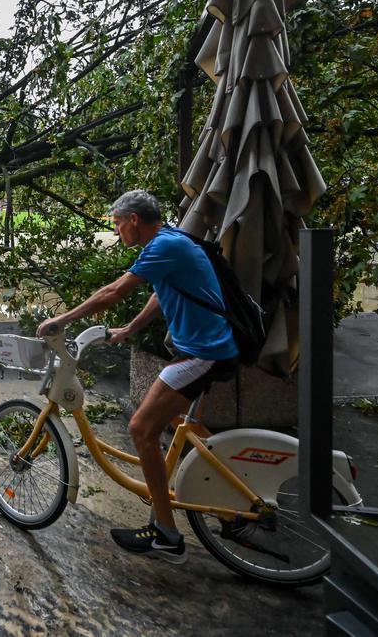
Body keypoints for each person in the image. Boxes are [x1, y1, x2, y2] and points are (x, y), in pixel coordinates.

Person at [36, 189, 237, 564]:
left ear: (132, 220)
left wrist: (60, 320)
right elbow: (163, 293)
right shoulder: (171, 241)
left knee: (141, 429)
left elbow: (112, 292)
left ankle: (167, 536)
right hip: (202, 350)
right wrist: (131, 327)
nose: (116, 231)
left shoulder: (163, 245)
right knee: (169, 422)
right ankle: (227, 479)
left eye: (116, 223)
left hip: (203, 354)